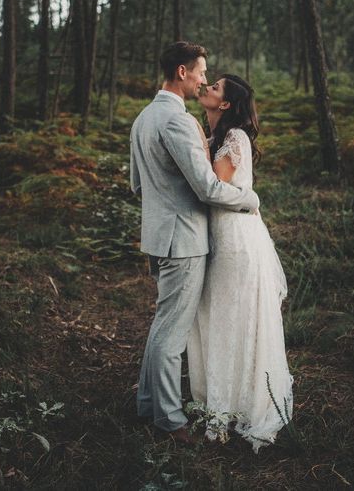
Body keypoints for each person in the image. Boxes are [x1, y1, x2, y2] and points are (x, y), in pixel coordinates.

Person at [129, 43, 260, 444]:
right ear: (183, 72)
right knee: (173, 334)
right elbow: (206, 188)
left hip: (159, 236)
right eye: (202, 73)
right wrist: (249, 199)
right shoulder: (179, 121)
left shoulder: (143, 118)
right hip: (183, 241)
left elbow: (137, 185)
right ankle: (169, 420)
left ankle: (148, 402)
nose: (204, 80)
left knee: (162, 324)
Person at [187, 74, 293, 452]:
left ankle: (234, 408)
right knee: (214, 315)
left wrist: (252, 197)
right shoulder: (214, 136)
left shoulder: (235, 138)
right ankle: (216, 402)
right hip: (217, 236)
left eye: (214, 87)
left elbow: (216, 187)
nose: (207, 88)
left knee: (231, 317)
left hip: (235, 239)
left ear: (226, 104)